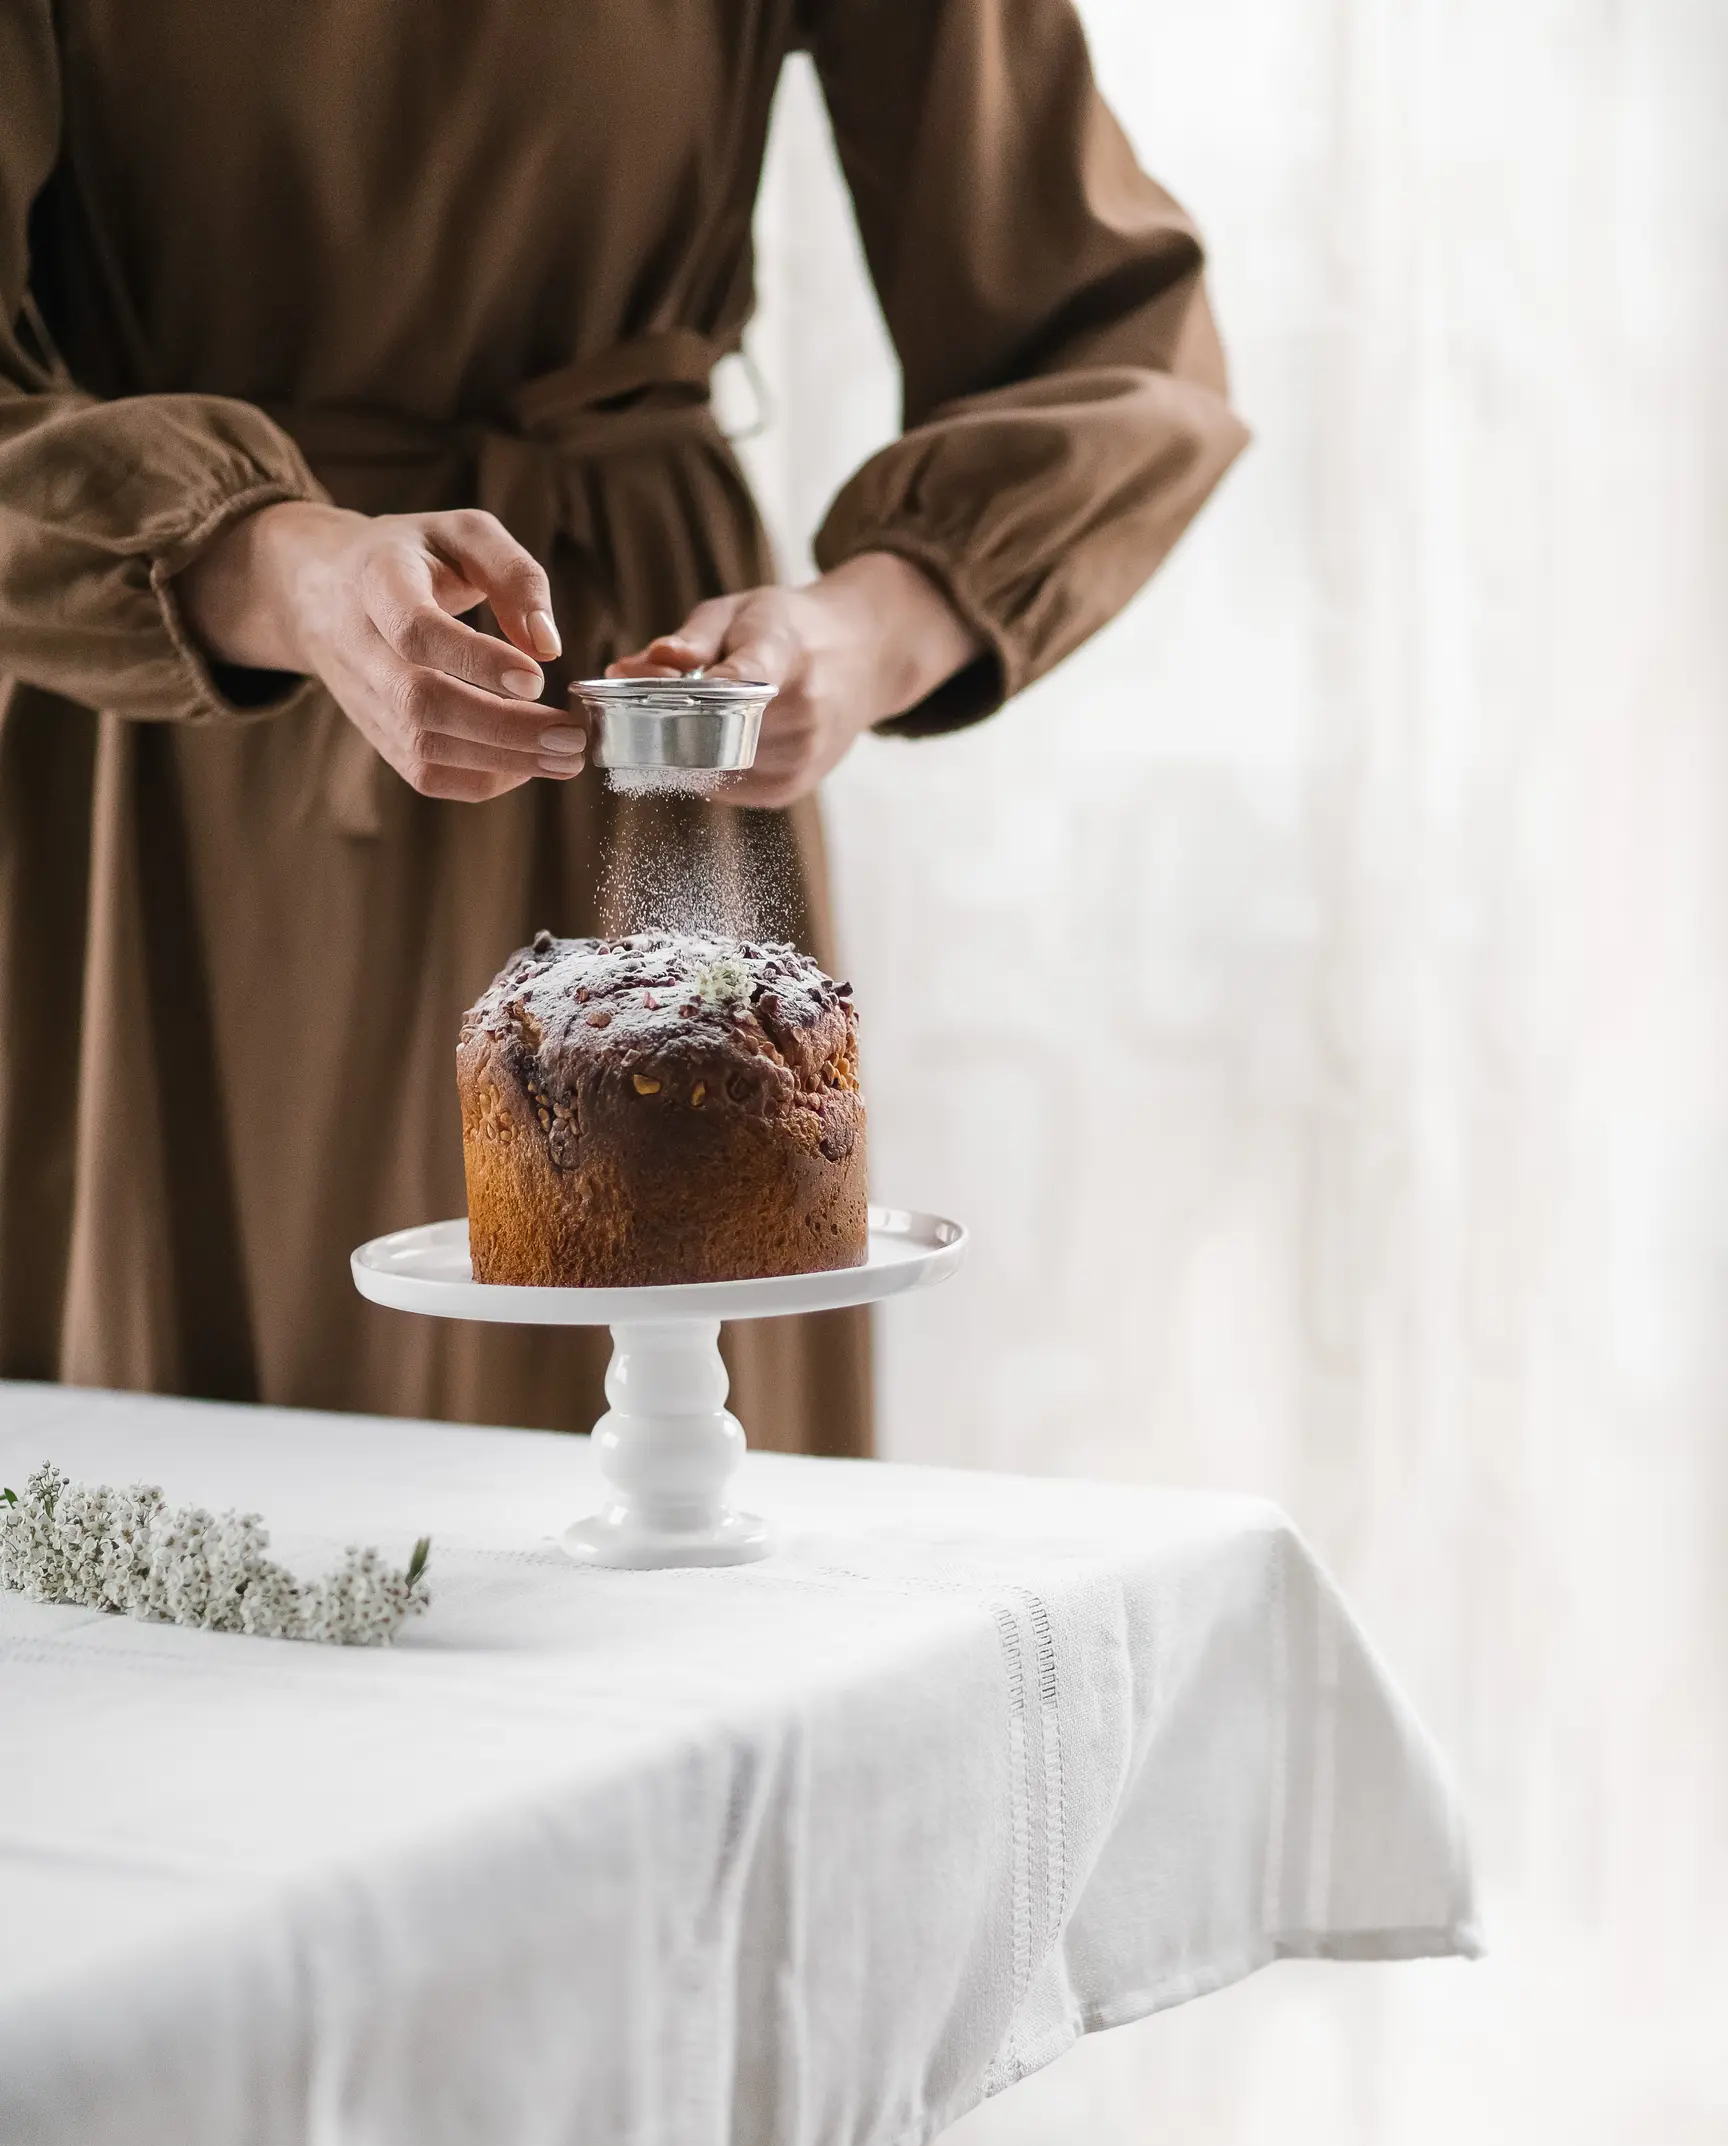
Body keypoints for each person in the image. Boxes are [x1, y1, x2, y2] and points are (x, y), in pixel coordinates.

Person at [0, 0, 1247, 1455]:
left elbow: (1124, 345)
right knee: (220, 1533)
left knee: (677, 1475)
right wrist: (268, 568)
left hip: (654, 732)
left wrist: (861, 628)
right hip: (169, 761)